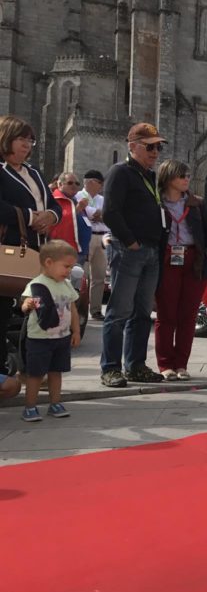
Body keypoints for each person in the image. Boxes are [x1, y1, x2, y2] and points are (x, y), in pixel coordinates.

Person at [101, 122, 169, 387]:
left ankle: (136, 365)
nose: (155, 151)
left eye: (158, 147)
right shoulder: (121, 172)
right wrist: (130, 242)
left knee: (142, 313)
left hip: (150, 250)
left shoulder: (150, 176)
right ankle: (110, 368)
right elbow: (110, 212)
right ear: (132, 147)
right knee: (119, 311)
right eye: (150, 146)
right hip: (130, 250)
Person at [154, 159, 207, 381]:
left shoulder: (197, 203)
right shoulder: (156, 203)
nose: (187, 179)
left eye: (188, 176)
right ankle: (165, 365)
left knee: (188, 316)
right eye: (182, 175)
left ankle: (181, 364)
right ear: (168, 178)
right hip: (166, 259)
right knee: (166, 315)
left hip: (194, 260)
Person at [0, 115, 60, 349]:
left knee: (36, 311)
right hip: (10, 251)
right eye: (21, 139)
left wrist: (50, 216)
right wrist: (29, 216)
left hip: (37, 249)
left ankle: (31, 367)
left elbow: (53, 204)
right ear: (6, 138)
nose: (27, 144)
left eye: (30, 140)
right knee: (4, 309)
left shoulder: (33, 172)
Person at [18, 240, 80, 422]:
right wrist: (26, 305)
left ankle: (55, 403)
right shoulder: (37, 284)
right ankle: (30, 407)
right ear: (49, 263)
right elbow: (25, 306)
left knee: (56, 372)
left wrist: (75, 332)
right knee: (35, 374)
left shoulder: (67, 285)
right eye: (66, 266)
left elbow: (73, 309)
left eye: (71, 267)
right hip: (40, 338)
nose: (69, 271)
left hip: (61, 337)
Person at [77, 169, 109, 321]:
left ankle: (95, 310)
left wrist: (100, 215)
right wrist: (99, 215)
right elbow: (92, 214)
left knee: (99, 276)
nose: (101, 186)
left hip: (102, 238)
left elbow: (108, 216)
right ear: (90, 182)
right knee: (82, 275)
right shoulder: (78, 196)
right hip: (86, 237)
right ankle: (79, 308)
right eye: (99, 183)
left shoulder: (103, 199)